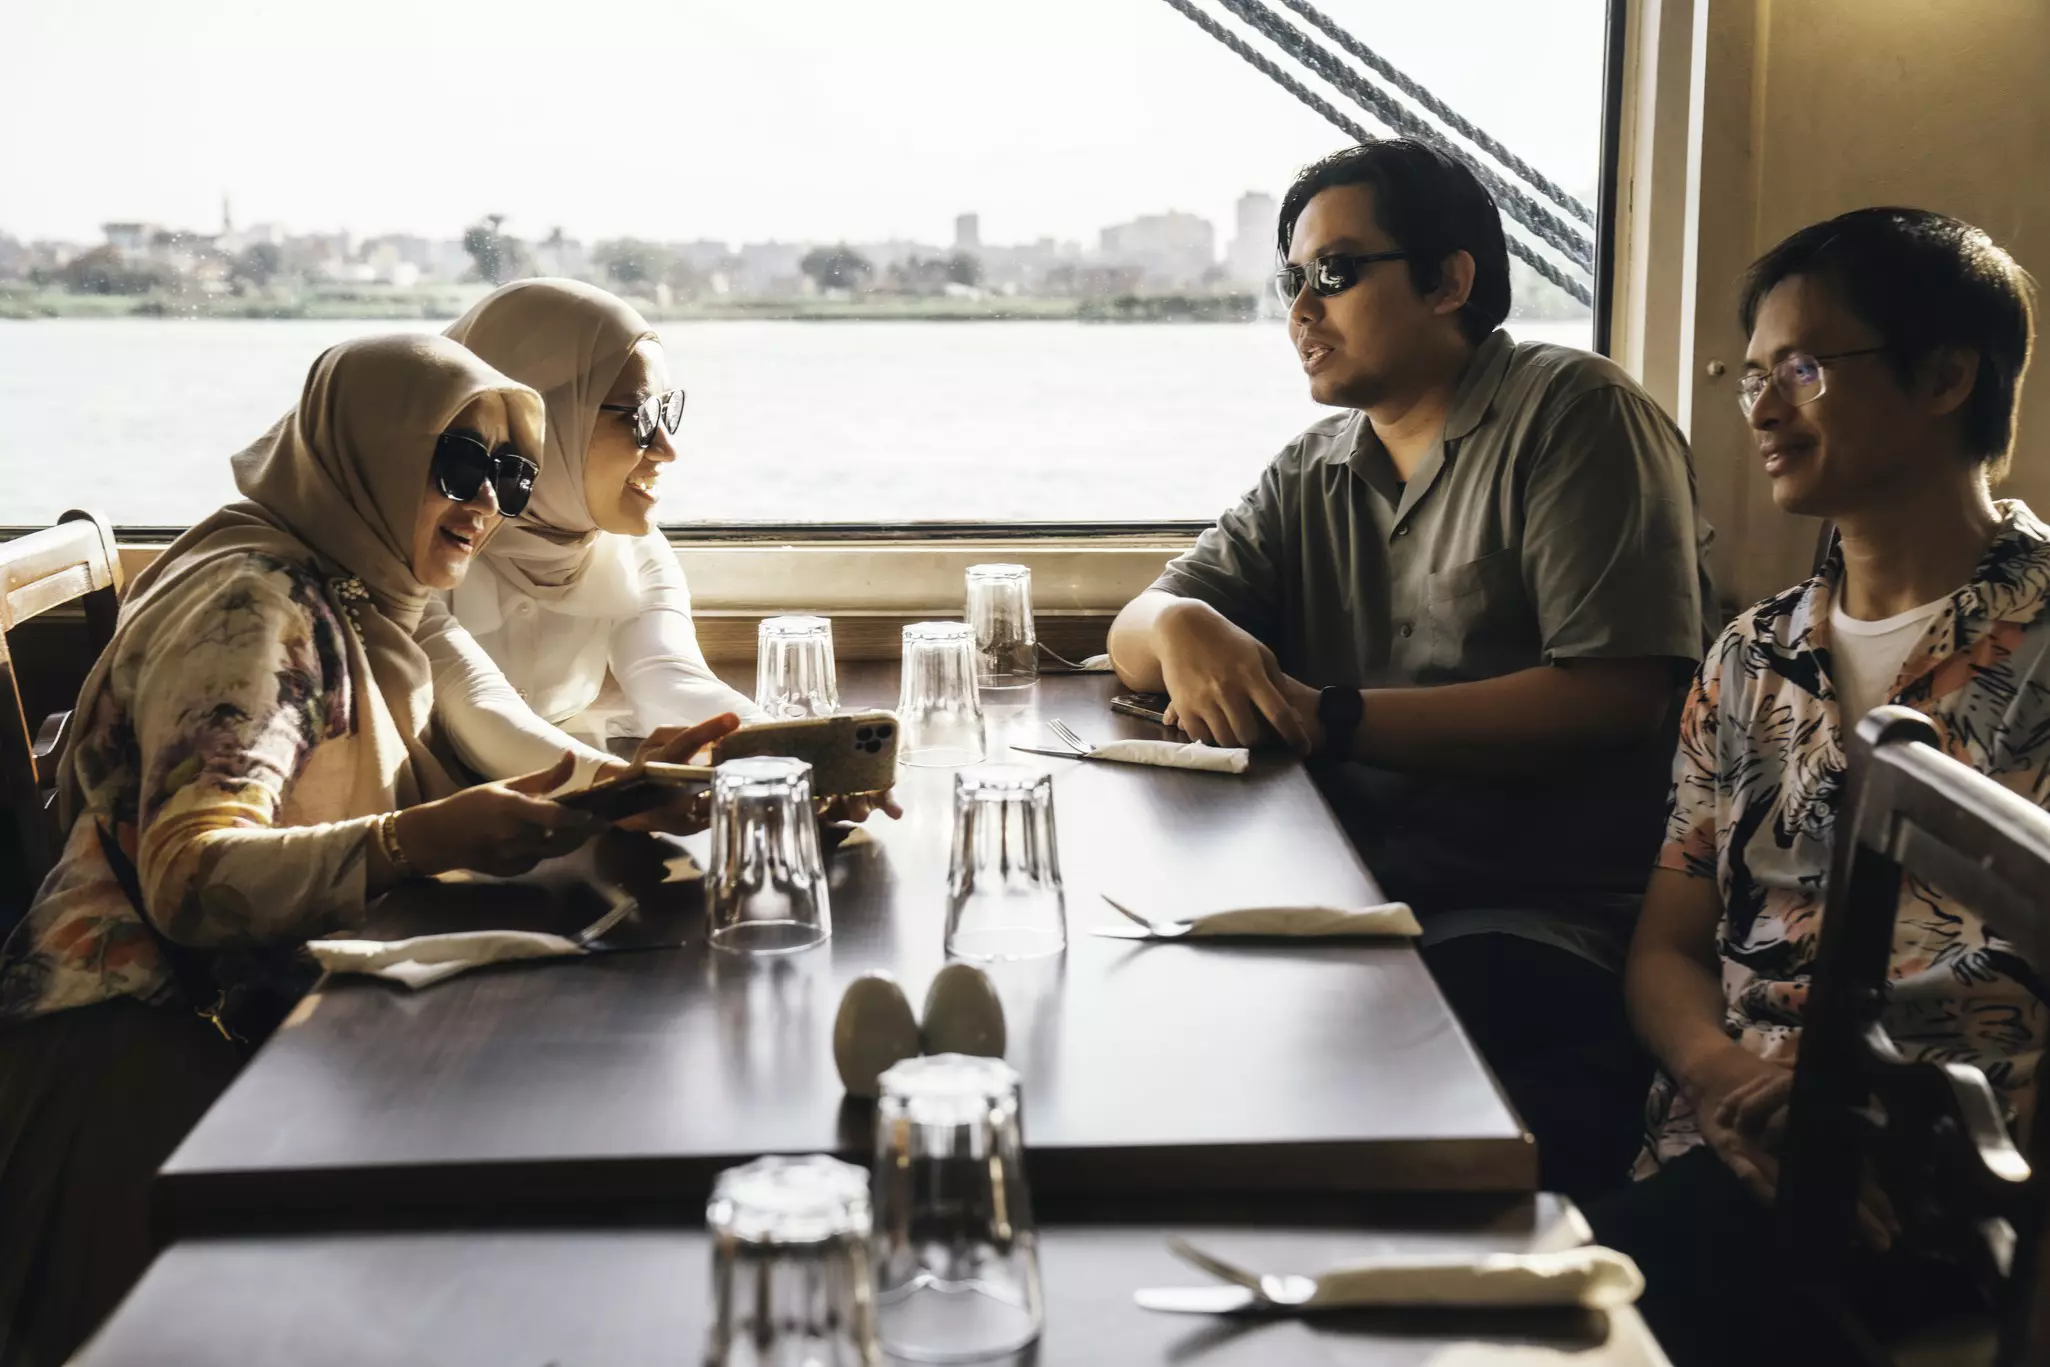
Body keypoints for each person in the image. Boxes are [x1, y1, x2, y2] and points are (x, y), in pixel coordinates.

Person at [0, 334, 728, 1365]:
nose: (487, 501)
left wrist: (622, 787)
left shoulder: (359, 584)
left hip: (245, 1014)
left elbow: (488, 737)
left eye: (511, 473)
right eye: (458, 464)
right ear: (370, 454)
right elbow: (190, 875)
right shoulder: (254, 611)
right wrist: (409, 839)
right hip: (141, 1064)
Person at [1107, 139, 1715, 1201]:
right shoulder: (1319, 465)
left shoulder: (1574, 414)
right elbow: (1133, 630)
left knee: (1316, 1114)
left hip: (1535, 917)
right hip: (1353, 895)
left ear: (1447, 280)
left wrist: (1327, 717)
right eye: (1289, 281)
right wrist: (1186, 620)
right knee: (1139, 1021)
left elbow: (1616, 696)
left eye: (1334, 274)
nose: (1301, 310)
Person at [1589, 208, 2046, 1364]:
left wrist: (1848, 1114)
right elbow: (1666, 946)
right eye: (1749, 378)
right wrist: (1724, 1076)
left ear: (1946, 375)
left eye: (1800, 367)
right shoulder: (1748, 655)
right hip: (1719, 1141)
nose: (1760, 409)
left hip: (1945, 1185)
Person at [436, 278, 764, 763]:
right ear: (540, 419)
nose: (667, 450)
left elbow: (671, 679)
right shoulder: (429, 544)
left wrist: (796, 754)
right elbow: (480, 714)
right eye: (639, 418)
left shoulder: (628, 547)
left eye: (666, 412)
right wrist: (618, 787)